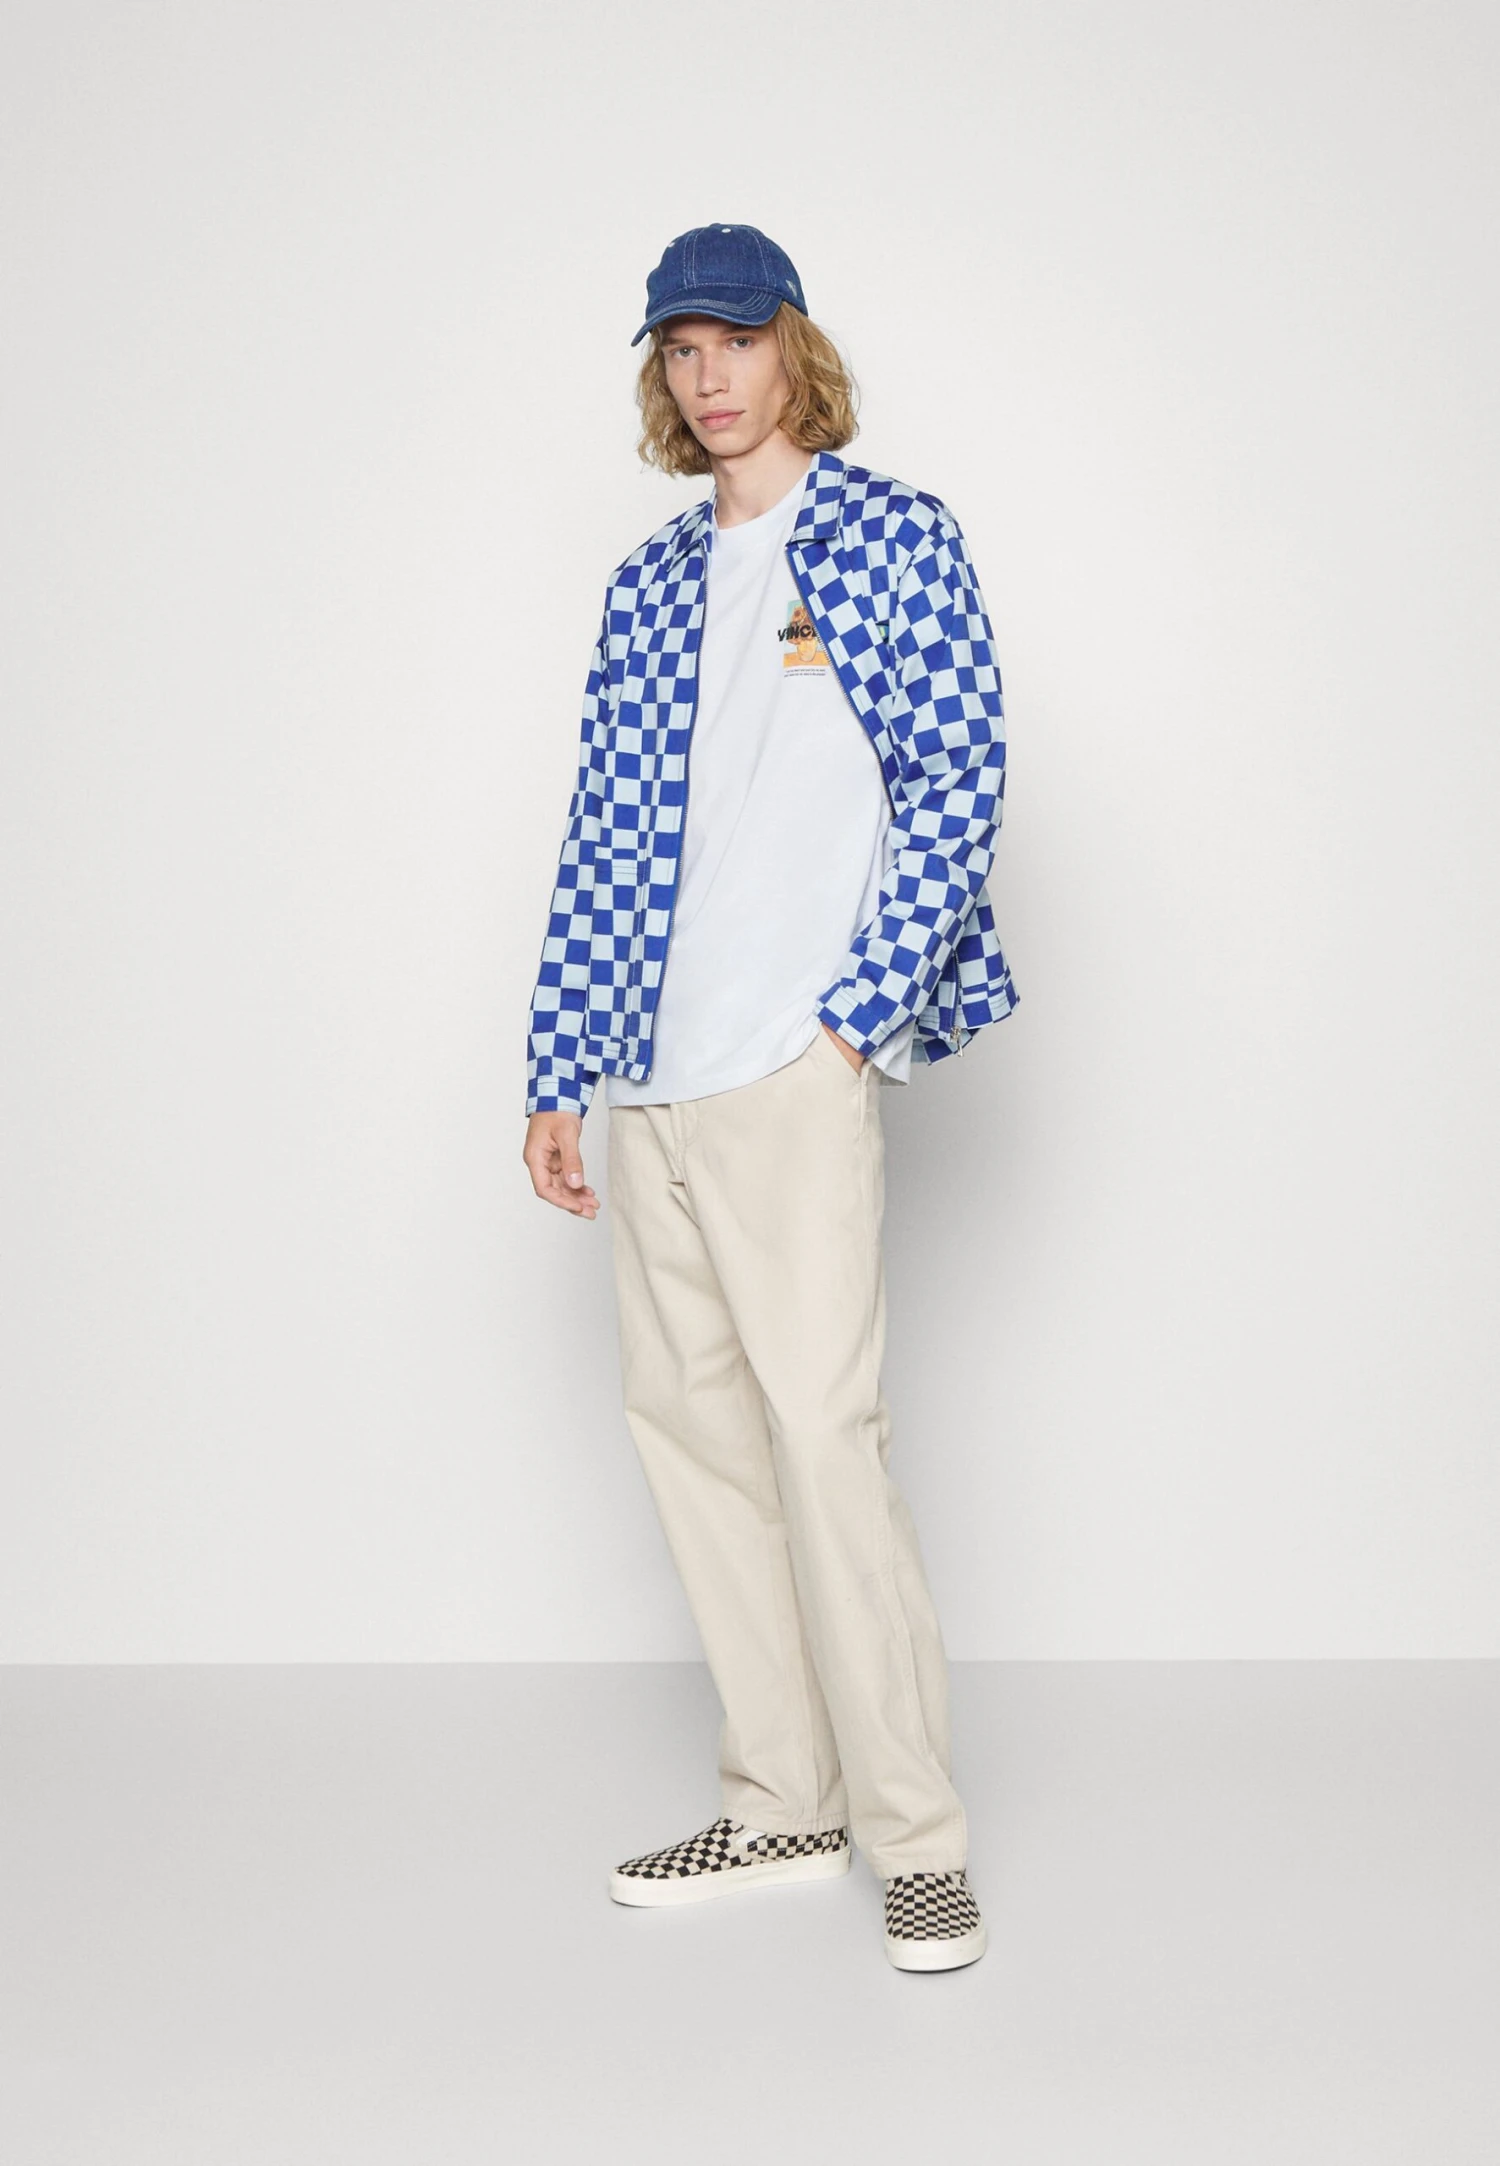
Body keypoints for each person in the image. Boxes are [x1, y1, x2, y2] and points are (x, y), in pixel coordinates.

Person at [522, 222, 1018, 1972]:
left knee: (823, 1438)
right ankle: (783, 1796)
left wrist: (851, 1023)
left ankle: (920, 1840)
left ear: (793, 346)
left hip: (791, 1069)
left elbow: (960, 773)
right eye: (679, 347)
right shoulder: (648, 584)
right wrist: (559, 1065)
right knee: (696, 1437)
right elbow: (602, 833)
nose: (708, 373)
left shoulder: (892, 536)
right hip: (646, 1074)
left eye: (734, 338)